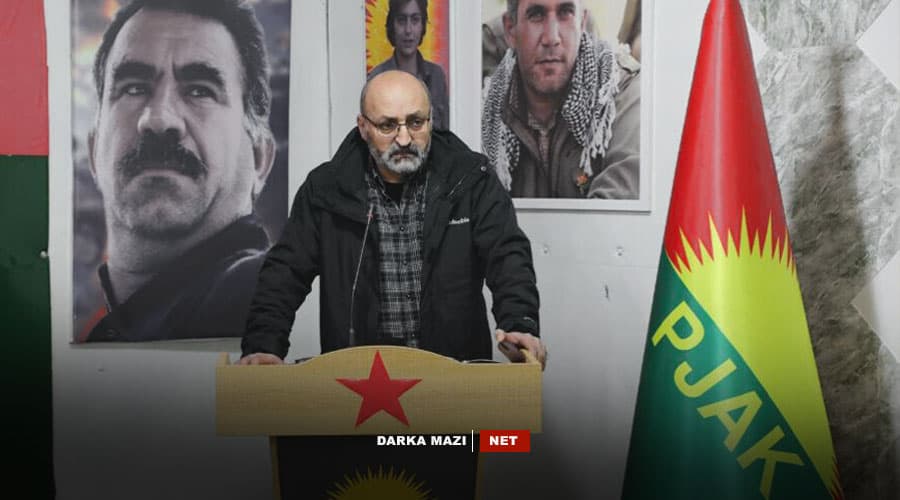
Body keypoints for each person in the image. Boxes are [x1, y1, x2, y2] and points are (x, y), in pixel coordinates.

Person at [240, 70, 546, 368]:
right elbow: (285, 273)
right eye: (387, 126)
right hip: (360, 382)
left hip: (452, 375)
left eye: (415, 122)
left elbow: (507, 256)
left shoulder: (470, 179)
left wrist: (520, 323)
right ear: (363, 127)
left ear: (430, 120)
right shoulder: (326, 190)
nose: (404, 138)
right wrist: (263, 345)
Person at [81, 0, 276, 342]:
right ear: (95, 151)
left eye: (200, 91)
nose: (158, 120)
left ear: (259, 157)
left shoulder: (264, 292)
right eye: (133, 88)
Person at [482, 0, 640, 199]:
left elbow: (616, 210)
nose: (552, 38)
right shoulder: (488, 111)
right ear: (511, 30)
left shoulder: (620, 91)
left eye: (565, 12)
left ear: (582, 23)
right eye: (536, 14)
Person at [368, 0, 450, 130]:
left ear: (423, 25)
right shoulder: (377, 78)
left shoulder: (436, 76)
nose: (408, 30)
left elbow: (446, 135)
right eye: (401, 20)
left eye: (415, 20)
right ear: (392, 25)